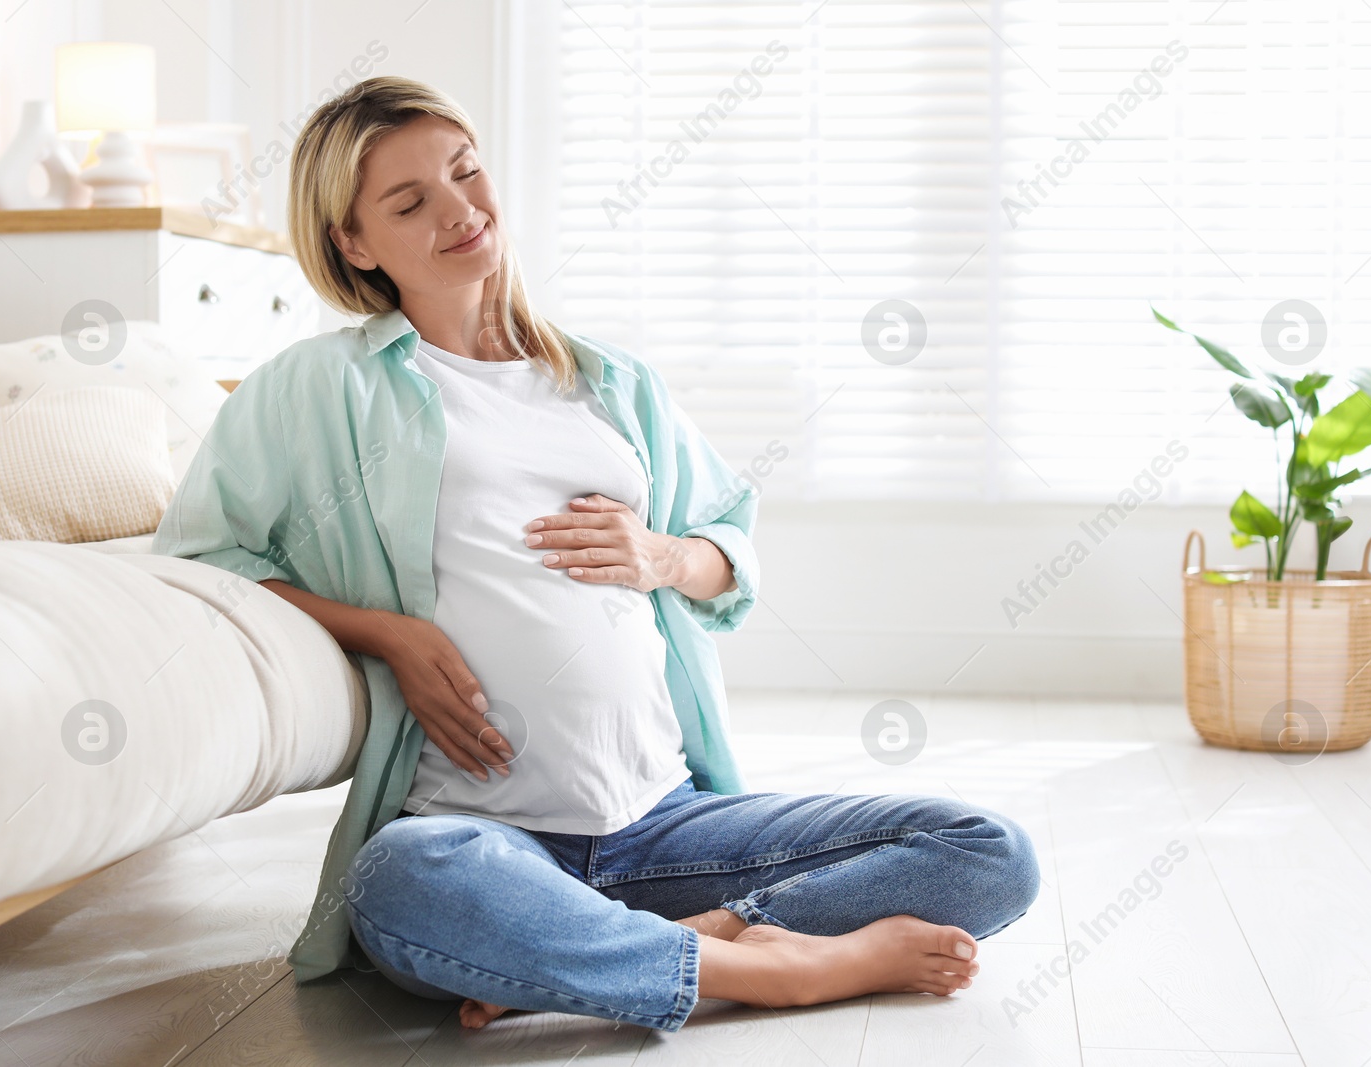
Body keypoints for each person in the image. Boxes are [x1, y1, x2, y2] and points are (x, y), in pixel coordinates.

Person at [153, 74, 1039, 1034]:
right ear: (353, 244)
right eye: (410, 202)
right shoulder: (317, 388)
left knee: (989, 850)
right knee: (402, 883)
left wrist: (661, 555)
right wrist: (390, 636)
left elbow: (728, 555)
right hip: (483, 834)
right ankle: (782, 968)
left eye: (465, 172)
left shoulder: (612, 383)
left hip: (667, 823)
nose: (459, 210)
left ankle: (669, 943)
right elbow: (200, 556)